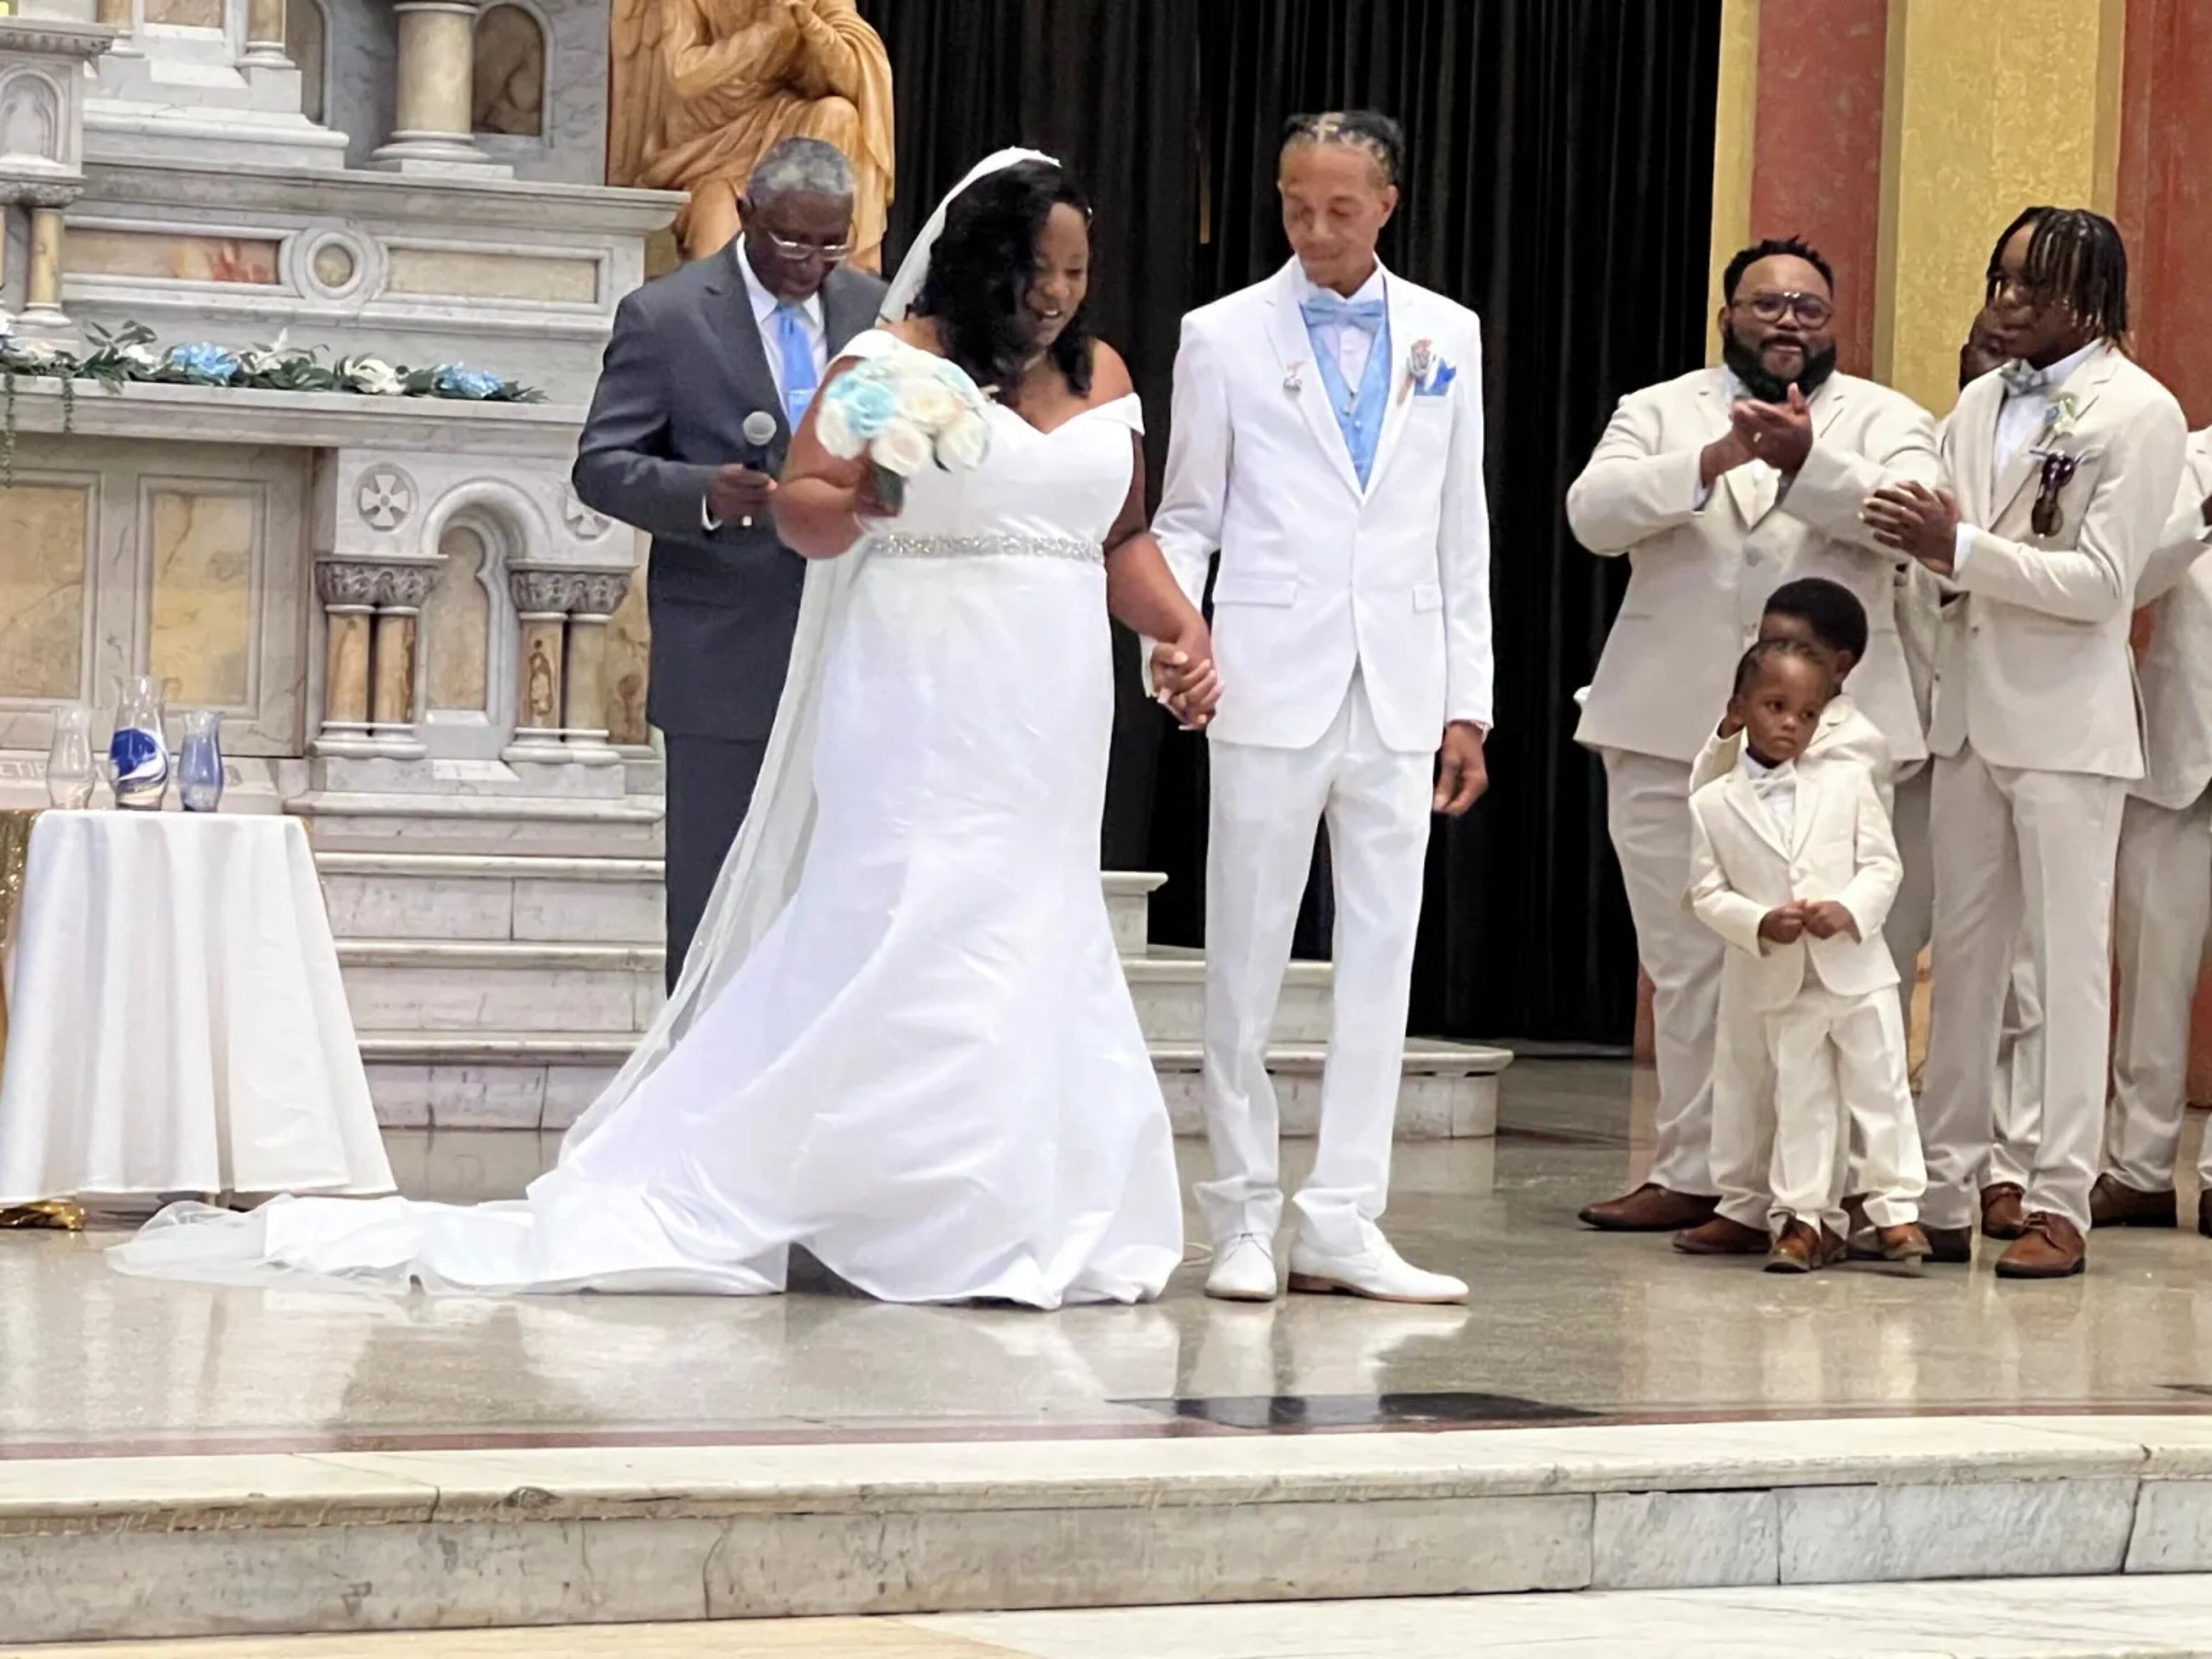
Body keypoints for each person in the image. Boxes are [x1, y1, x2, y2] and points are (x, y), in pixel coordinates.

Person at [111, 151, 1222, 1309]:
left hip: (1048, 705)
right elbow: (804, 510)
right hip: (922, 690)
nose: (1057, 293)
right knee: (908, 915)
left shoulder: (1102, 374)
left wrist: (1184, 637)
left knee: (1035, 919)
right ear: (982, 262)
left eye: (1077, 270)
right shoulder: (889, 365)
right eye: (1038, 269)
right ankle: (879, 1204)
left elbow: (1119, 539)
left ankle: (1017, 1203)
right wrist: (867, 497)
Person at [1152, 111, 1493, 1305]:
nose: (1315, 225)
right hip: (1266, 670)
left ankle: (1345, 1216)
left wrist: (1470, 705)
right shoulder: (1222, 334)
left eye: (1340, 206)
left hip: (1397, 687)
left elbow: (1464, 533)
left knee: (1382, 960)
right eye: (1297, 204)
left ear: (1387, 203)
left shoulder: (1449, 334)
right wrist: (1179, 636)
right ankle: (1242, 1216)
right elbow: (1189, 512)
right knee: (1243, 958)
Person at [1570, 236, 1940, 1234]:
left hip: (1838, 743)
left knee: (1836, 974)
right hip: (1667, 728)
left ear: (1833, 325)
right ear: (1728, 315)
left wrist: (1804, 461)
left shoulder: (1888, 418)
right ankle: (1696, 1173)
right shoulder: (1659, 410)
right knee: (1689, 961)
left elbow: (1910, 521)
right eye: (1766, 303)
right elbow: (1592, 516)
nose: (1787, 321)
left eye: (1809, 309)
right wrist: (1715, 459)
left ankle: (1829, 1198)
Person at [1867, 206, 2190, 1278]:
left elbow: (2105, 588)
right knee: (1961, 962)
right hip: (1968, 711)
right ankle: (1946, 1186)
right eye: (2002, 279)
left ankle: (2061, 1197)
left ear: (2094, 298)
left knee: (2065, 966)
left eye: (2035, 289)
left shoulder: (2138, 412)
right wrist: (1928, 542)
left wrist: (1956, 545)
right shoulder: (1976, 401)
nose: (2008, 304)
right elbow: (1957, 549)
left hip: (2067, 723)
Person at [573, 137, 887, 993]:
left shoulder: (880, 311)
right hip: (723, 650)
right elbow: (601, 464)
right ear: (747, 214)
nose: (811, 265)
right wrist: (706, 494)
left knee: (840, 889)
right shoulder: (667, 316)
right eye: (791, 241)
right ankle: (696, 1092)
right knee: (716, 895)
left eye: (833, 244)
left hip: (858, 645)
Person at [1686, 640, 1926, 1272]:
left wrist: (1850, 907)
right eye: (1775, 706)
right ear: (1739, 709)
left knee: (1881, 1089)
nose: (1792, 723)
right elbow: (1706, 892)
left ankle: (1897, 1209)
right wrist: (1760, 922)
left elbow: (1882, 863)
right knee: (1801, 1100)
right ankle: (1804, 1218)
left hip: (1856, 970)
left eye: (1808, 714)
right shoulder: (1714, 802)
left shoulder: (1846, 782)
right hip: (1782, 979)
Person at [1907, 309, 2044, 1243]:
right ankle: (1941, 1166)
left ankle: (2019, 1165)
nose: (1990, 367)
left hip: (2037, 722)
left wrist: (1968, 550)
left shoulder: (2078, 445)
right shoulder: (1938, 445)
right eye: (1977, 355)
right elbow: (1922, 583)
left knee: (2033, 974)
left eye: (2005, 354)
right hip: (1938, 723)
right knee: (1958, 963)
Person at [2093, 425, 2212, 1231]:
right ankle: (2136, 1169)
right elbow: (2127, 580)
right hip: (2179, 756)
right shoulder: (2179, 452)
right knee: (2152, 977)